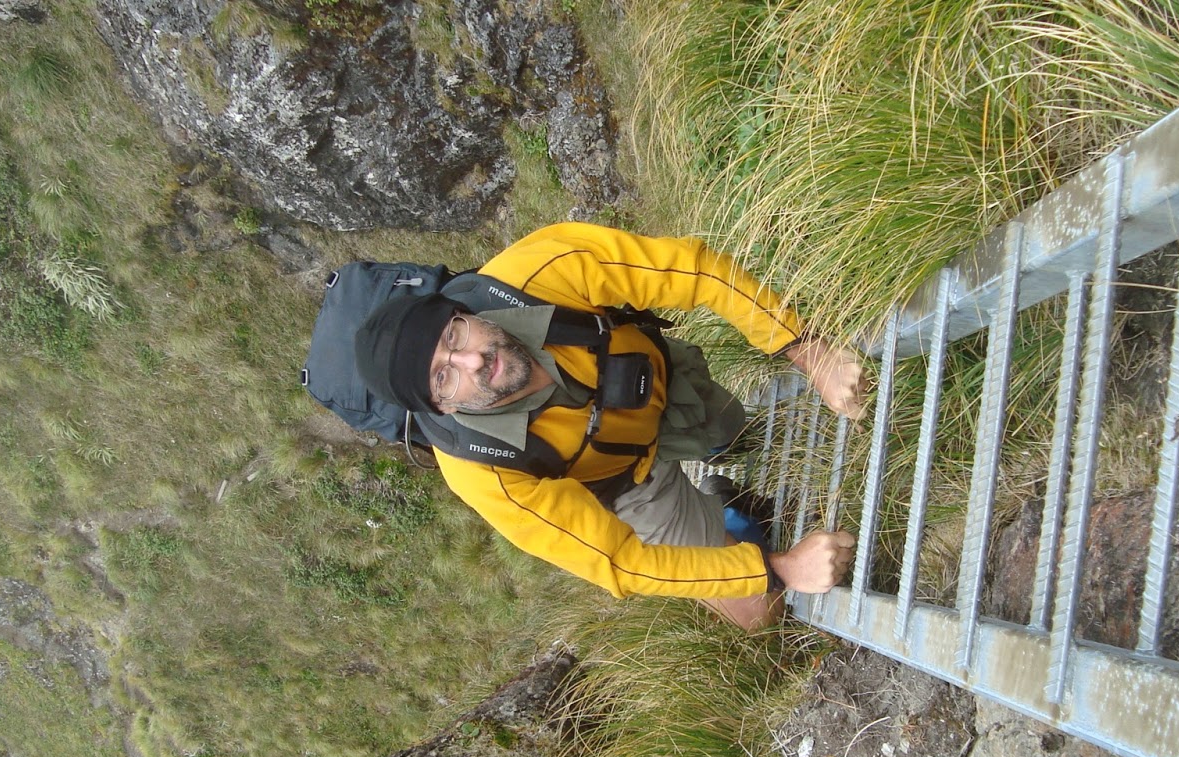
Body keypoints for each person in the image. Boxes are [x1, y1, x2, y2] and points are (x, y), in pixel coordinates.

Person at [354, 222, 867, 631]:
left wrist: (807, 351)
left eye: (454, 335)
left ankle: (719, 479)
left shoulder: (537, 273)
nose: (471, 362)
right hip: (624, 485)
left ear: (461, 310)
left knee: (737, 435)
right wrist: (775, 569)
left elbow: (695, 270)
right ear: (440, 409)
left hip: (659, 386)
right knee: (760, 613)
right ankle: (728, 516)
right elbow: (620, 561)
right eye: (444, 378)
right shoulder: (481, 472)